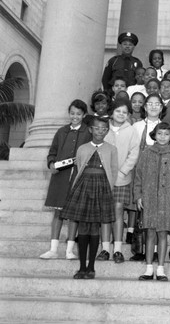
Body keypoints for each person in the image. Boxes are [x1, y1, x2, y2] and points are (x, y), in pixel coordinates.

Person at [61, 116, 118, 279]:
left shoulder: (112, 149)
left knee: (95, 228)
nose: (101, 131)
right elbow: (79, 168)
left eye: (104, 129)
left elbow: (113, 171)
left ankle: (91, 267)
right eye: (97, 128)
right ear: (91, 130)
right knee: (83, 227)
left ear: (107, 131)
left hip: (102, 188)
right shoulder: (82, 148)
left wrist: (109, 189)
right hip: (84, 187)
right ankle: (82, 267)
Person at [40, 99, 92, 260]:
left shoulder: (88, 132)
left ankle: (70, 249)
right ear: (68, 113)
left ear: (84, 115)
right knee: (58, 212)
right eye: (72, 113)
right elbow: (52, 152)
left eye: (78, 114)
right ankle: (53, 249)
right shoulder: (61, 131)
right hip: (61, 177)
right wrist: (51, 164)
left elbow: (92, 152)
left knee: (74, 214)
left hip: (78, 176)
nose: (75, 116)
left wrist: (82, 159)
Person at [135, 122, 170, 281]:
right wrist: (139, 195)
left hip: (166, 201)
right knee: (150, 233)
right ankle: (149, 268)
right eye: (160, 133)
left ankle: (161, 268)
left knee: (163, 234)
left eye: (166, 134)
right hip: (149, 199)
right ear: (154, 135)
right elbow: (138, 176)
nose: (162, 137)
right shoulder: (146, 153)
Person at [98, 100, 140, 263]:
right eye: (118, 111)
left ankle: (117, 249)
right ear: (112, 112)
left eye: (124, 112)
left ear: (128, 114)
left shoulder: (131, 131)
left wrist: (123, 171)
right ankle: (104, 249)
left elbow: (134, 153)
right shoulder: (104, 128)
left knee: (117, 211)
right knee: (105, 213)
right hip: (103, 178)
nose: (121, 114)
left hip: (122, 178)